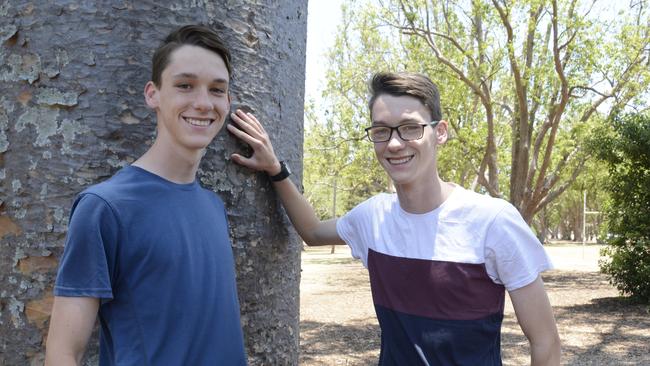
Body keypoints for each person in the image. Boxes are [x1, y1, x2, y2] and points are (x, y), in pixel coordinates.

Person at [228, 71, 561, 365]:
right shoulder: (373, 216)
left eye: (410, 128)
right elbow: (312, 232)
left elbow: (545, 343)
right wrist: (276, 170)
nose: (395, 143)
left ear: (440, 132)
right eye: (382, 131)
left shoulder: (494, 221)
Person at [45, 25, 247, 365]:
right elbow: (64, 352)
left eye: (216, 90)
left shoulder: (213, 207)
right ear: (153, 94)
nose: (202, 102)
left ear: (227, 102)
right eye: (185, 85)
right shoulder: (104, 208)